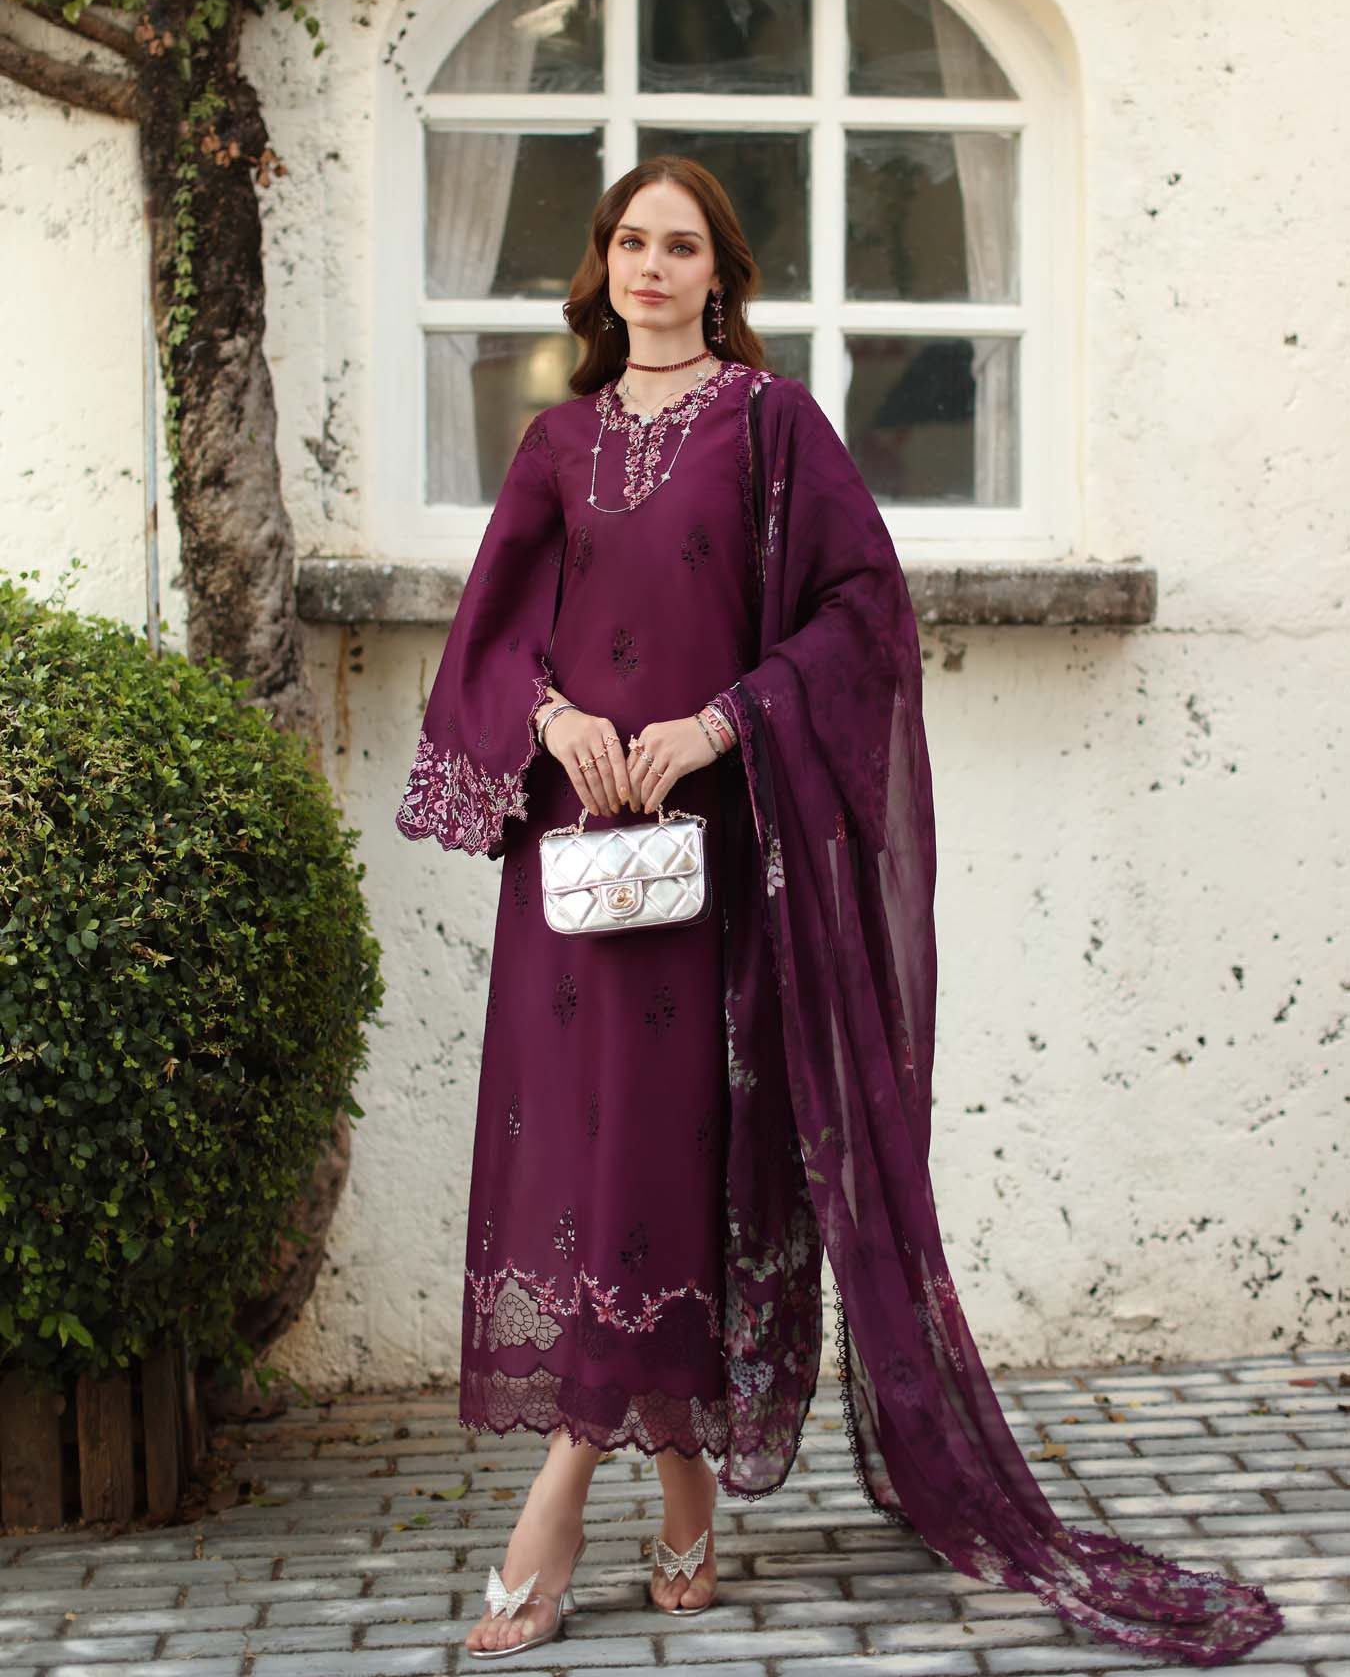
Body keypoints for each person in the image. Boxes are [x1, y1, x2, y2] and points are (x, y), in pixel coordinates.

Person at [395, 157, 1284, 1667]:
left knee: (678, 1162)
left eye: (681, 246)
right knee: (591, 1163)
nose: (652, 267)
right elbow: (490, 640)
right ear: (603, 265)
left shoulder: (771, 427)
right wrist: (555, 724)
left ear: (720, 273)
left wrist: (720, 724)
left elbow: (864, 612)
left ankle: (556, 1503)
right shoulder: (556, 442)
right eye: (630, 242)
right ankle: (682, 1484)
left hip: (713, 867)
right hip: (582, 868)